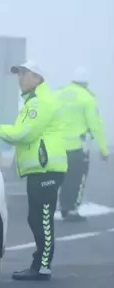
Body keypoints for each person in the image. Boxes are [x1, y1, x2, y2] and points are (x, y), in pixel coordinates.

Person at [0, 61, 68, 281]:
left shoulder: (40, 102)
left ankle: (42, 266)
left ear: (37, 78)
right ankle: (39, 264)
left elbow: (24, 133)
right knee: (35, 217)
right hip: (39, 169)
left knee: (42, 218)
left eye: (24, 74)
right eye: (19, 73)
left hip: (46, 168)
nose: (20, 78)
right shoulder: (34, 101)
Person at [55, 66, 109, 222]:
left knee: (63, 178)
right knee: (78, 179)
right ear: (86, 83)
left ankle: (64, 206)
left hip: (57, 146)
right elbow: (95, 125)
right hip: (77, 147)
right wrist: (104, 150)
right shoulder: (87, 98)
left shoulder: (58, 94)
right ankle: (71, 210)